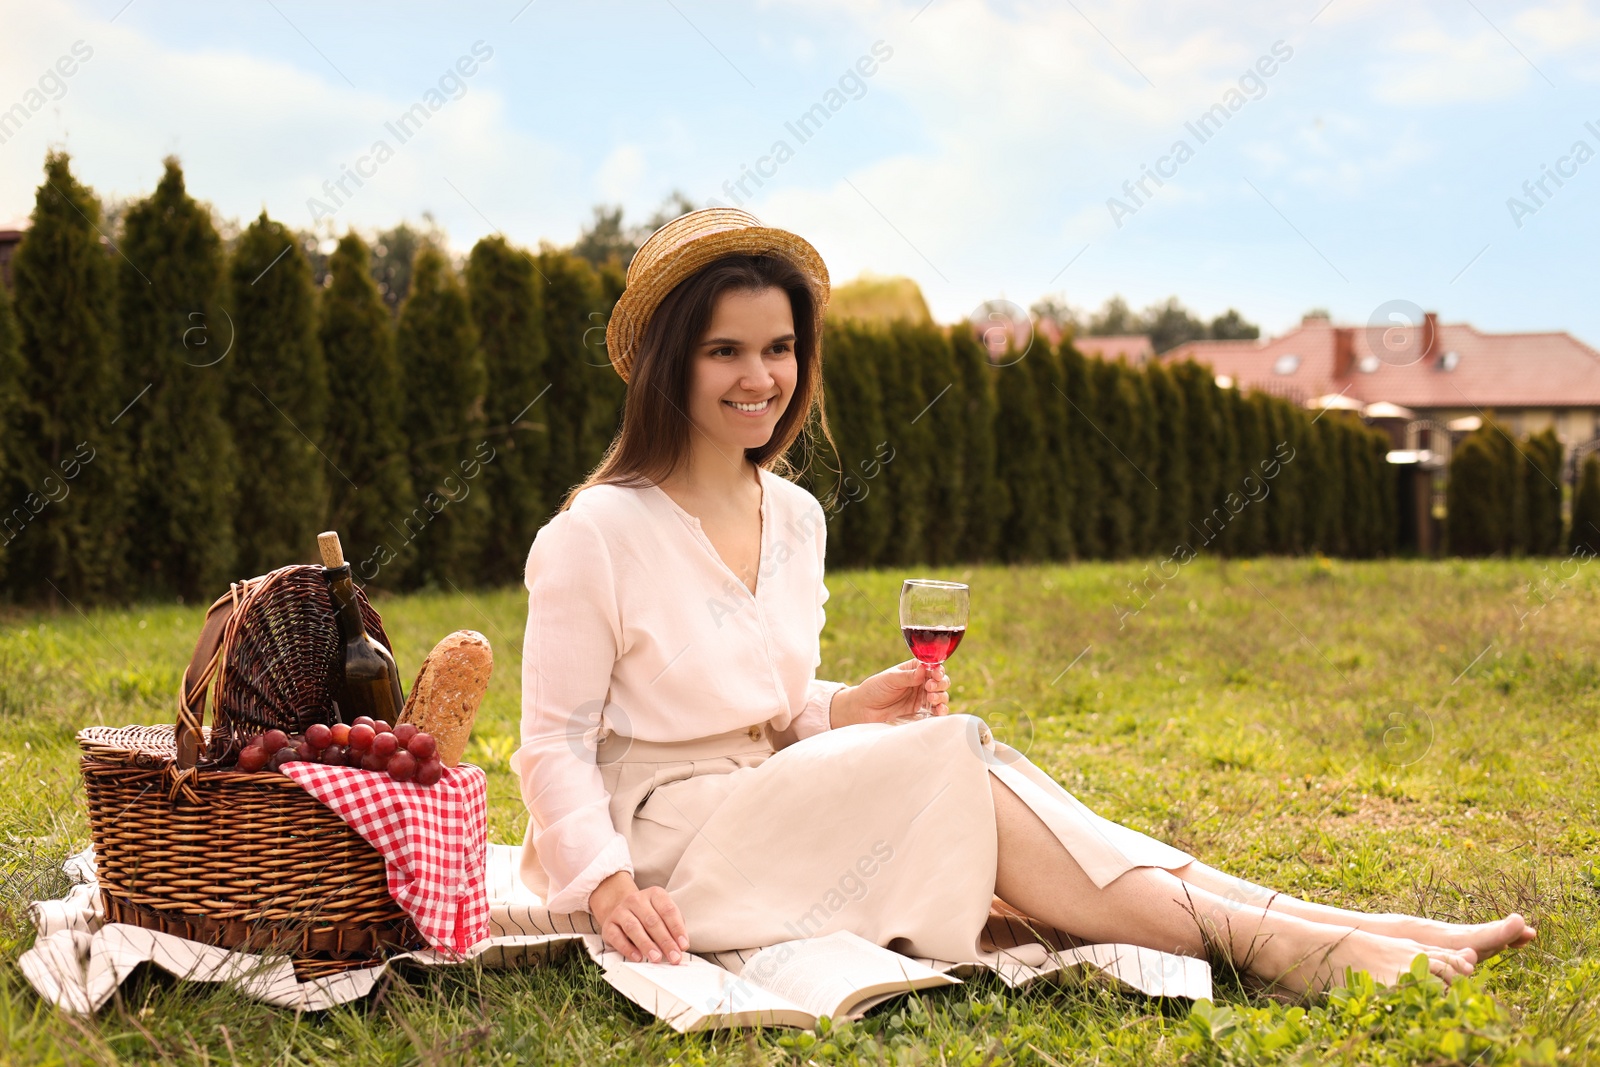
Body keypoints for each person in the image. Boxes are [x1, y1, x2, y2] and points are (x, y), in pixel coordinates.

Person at [510, 208, 1534, 996]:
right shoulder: (593, 533)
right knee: (964, 766)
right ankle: (1311, 947)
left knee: (989, 767)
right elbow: (552, 741)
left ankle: (1346, 925)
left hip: (778, 798)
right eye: (722, 349)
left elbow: (763, 705)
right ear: (664, 364)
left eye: (777, 347)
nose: (759, 375)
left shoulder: (797, 515)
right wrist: (604, 885)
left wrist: (840, 706)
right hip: (669, 850)